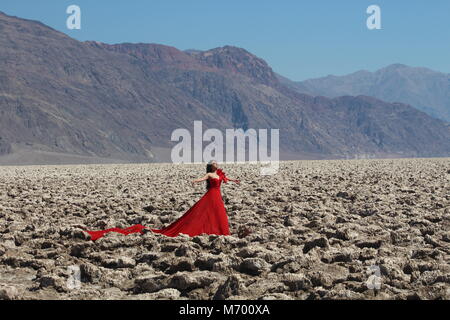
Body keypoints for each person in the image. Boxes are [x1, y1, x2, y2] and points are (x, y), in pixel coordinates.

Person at [85, 161, 240, 240]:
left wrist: (235, 180)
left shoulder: (219, 174)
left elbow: (227, 178)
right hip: (211, 195)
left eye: (216, 163)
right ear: (210, 166)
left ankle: (221, 231)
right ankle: (214, 230)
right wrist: (195, 181)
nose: (216, 164)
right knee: (205, 213)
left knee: (218, 213)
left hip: (216, 196)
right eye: (214, 163)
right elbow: (201, 179)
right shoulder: (210, 175)